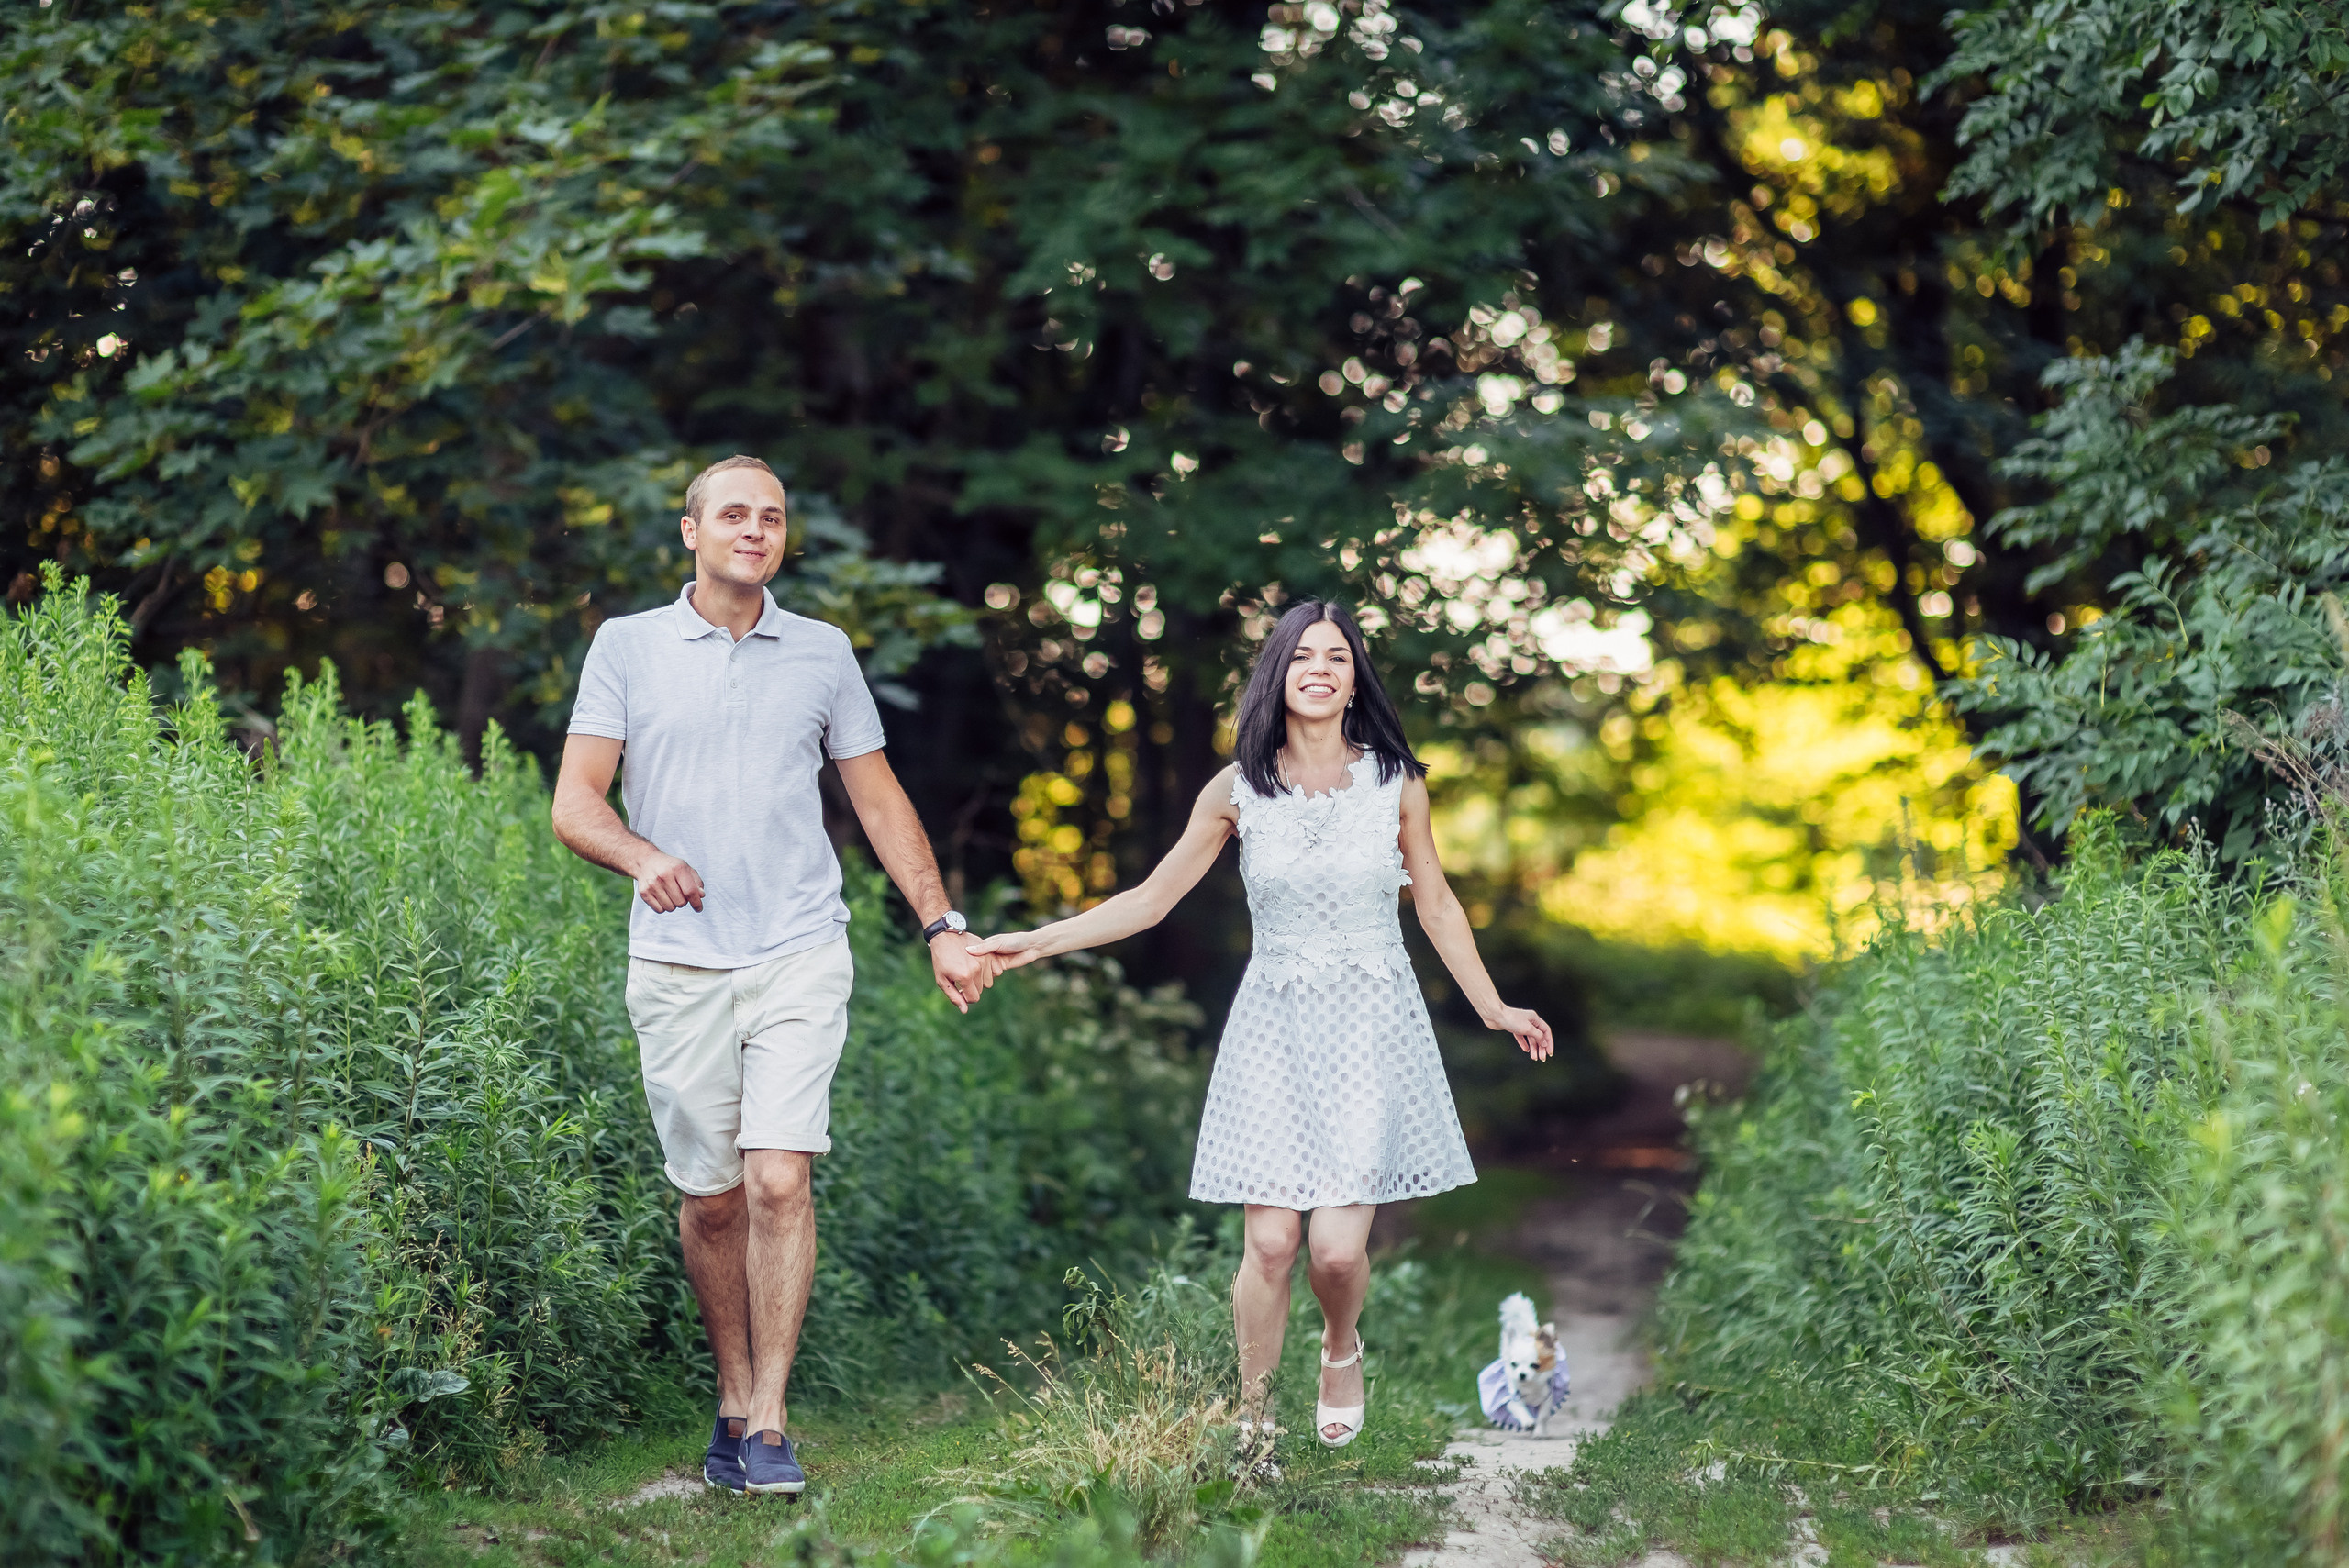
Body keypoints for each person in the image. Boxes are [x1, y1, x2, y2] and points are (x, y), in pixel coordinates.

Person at [969, 598, 1552, 1475]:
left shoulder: (1397, 780)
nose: (1321, 667)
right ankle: (1254, 1429)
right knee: (1272, 1243)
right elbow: (1152, 898)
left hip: (1369, 1022)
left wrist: (1494, 1005)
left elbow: (1433, 902)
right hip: (1273, 1028)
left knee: (1335, 1248)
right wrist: (1034, 940)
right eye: (1303, 655)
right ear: (1276, 674)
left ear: (1356, 680)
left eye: (1339, 657)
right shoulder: (1238, 786)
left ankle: (1342, 1343)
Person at [551, 455, 997, 1497]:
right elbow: (576, 801)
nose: (755, 530)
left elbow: (880, 802)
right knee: (710, 1200)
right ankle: (733, 1388)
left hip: (799, 942)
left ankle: (770, 1423)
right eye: (735, 515)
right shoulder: (628, 647)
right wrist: (642, 855)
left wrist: (941, 922)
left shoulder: (823, 652)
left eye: (773, 517)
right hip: (677, 960)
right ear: (691, 533)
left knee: (779, 1175)